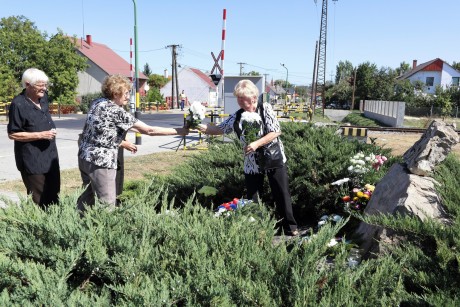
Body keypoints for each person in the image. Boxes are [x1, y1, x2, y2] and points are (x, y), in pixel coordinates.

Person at [197, 79, 299, 236]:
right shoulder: (237, 116)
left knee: (281, 193)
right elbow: (219, 129)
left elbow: (275, 131)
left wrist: (257, 143)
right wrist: (197, 124)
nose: (239, 101)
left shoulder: (265, 108)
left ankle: (290, 227)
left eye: (242, 97)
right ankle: (258, 229)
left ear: (253, 97)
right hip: (252, 162)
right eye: (238, 97)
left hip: (273, 158)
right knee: (253, 198)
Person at [77, 74, 188, 213]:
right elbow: (149, 130)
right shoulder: (116, 111)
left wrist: (120, 141)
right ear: (115, 93)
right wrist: (179, 131)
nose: (128, 96)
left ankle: (76, 224)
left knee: (88, 198)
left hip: (84, 157)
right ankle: (107, 231)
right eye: (126, 93)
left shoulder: (97, 103)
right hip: (101, 162)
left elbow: (100, 131)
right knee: (107, 205)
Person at [7, 68, 60, 208]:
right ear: (27, 84)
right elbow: (13, 133)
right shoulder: (18, 104)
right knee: (39, 199)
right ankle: (40, 227)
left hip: (50, 156)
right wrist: (40, 134)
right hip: (32, 160)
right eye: (40, 85)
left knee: (54, 195)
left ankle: (56, 225)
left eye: (45, 85)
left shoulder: (43, 98)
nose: (44, 88)